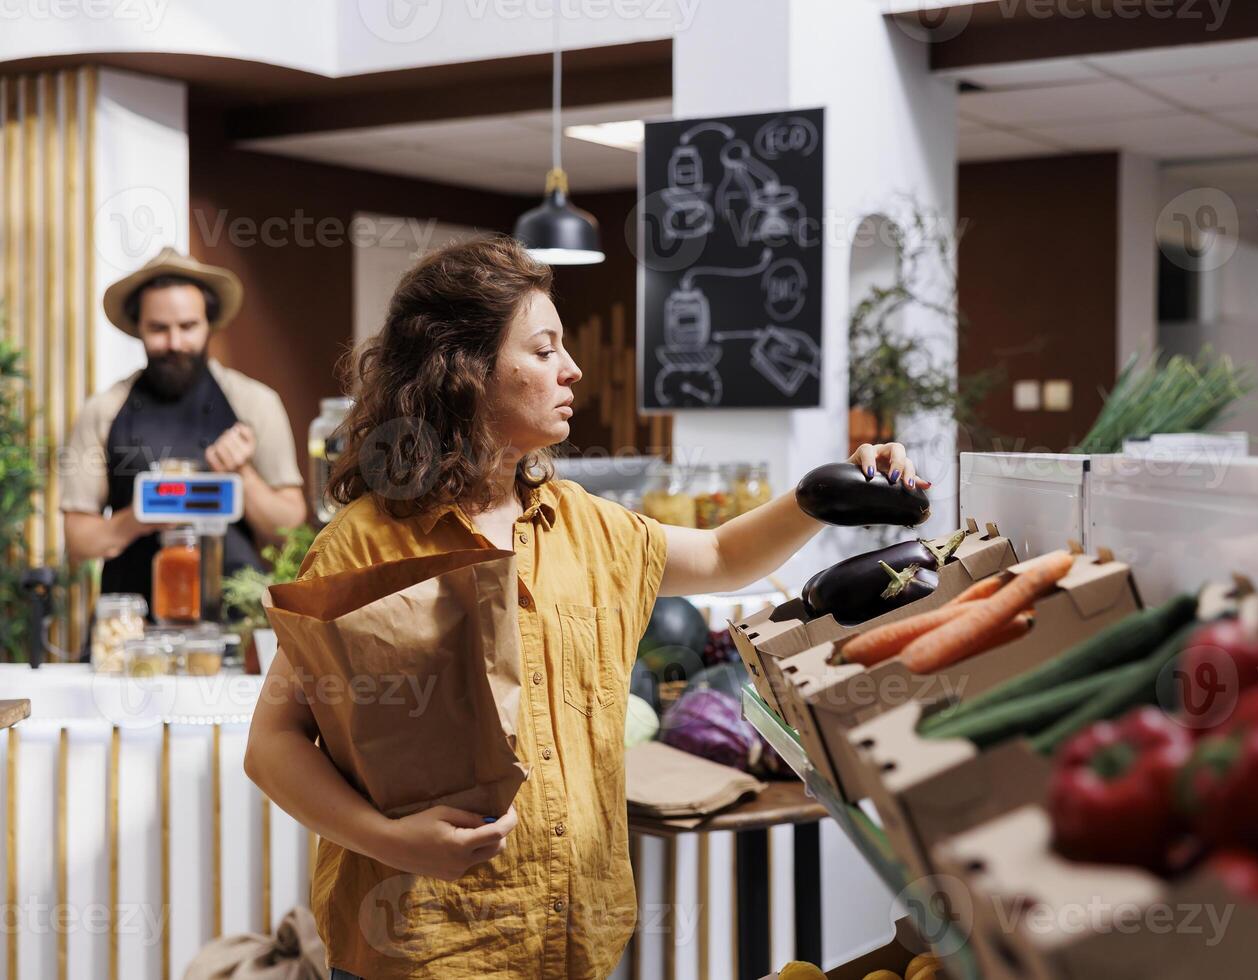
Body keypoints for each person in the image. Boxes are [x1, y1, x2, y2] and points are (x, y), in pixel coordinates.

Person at [243, 235, 931, 980]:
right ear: (464, 371)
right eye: (543, 351)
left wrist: (822, 494)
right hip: (425, 950)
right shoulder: (365, 546)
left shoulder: (586, 525)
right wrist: (388, 839)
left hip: (574, 946)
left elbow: (727, 557)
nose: (571, 370)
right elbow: (274, 744)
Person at [60, 248, 307, 620]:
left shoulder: (255, 403)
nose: (174, 343)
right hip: (129, 625)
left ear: (210, 324)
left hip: (235, 621)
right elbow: (78, 542)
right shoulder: (103, 410)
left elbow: (290, 531)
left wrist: (242, 474)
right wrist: (139, 517)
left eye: (188, 327)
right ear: (138, 328)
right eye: (159, 329)